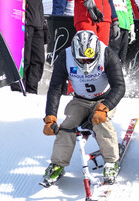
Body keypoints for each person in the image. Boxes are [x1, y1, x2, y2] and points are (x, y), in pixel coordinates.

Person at [41, 30, 125, 186]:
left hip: (104, 99)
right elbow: (55, 88)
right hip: (80, 100)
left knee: (101, 123)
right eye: (82, 59)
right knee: (67, 127)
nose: (86, 62)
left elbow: (119, 87)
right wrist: (50, 117)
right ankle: (58, 163)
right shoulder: (65, 57)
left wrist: (105, 107)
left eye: (89, 59)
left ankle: (111, 161)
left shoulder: (108, 55)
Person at [11, 0, 47, 94]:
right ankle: (19, 91)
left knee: (38, 61)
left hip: (38, 25)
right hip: (25, 25)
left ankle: (32, 92)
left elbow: (38, 4)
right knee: (24, 61)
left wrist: (45, 26)